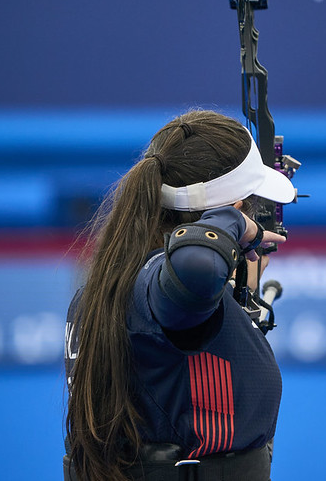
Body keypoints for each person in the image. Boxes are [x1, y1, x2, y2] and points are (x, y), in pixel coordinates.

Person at [63, 109, 295, 481]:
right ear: (233, 207)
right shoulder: (154, 283)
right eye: (248, 204)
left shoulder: (124, 278)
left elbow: (181, 380)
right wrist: (236, 226)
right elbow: (199, 266)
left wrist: (238, 292)